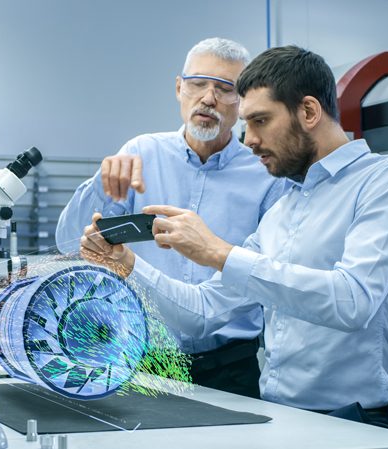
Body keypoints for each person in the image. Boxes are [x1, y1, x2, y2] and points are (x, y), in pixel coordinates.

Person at [80, 45, 388, 431]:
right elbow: (202, 312)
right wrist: (128, 265)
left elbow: (352, 301)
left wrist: (218, 253)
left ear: (309, 112)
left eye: (261, 121)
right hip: (279, 416)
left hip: (357, 420)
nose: (248, 140)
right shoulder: (285, 207)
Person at [56, 38, 287, 398]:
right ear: (179, 88)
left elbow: (261, 274)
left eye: (225, 89)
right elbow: (70, 243)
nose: (208, 98)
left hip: (229, 367)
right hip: (142, 360)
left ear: (242, 102)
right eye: (198, 84)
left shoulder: (265, 174)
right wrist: (99, 186)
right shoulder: (140, 153)